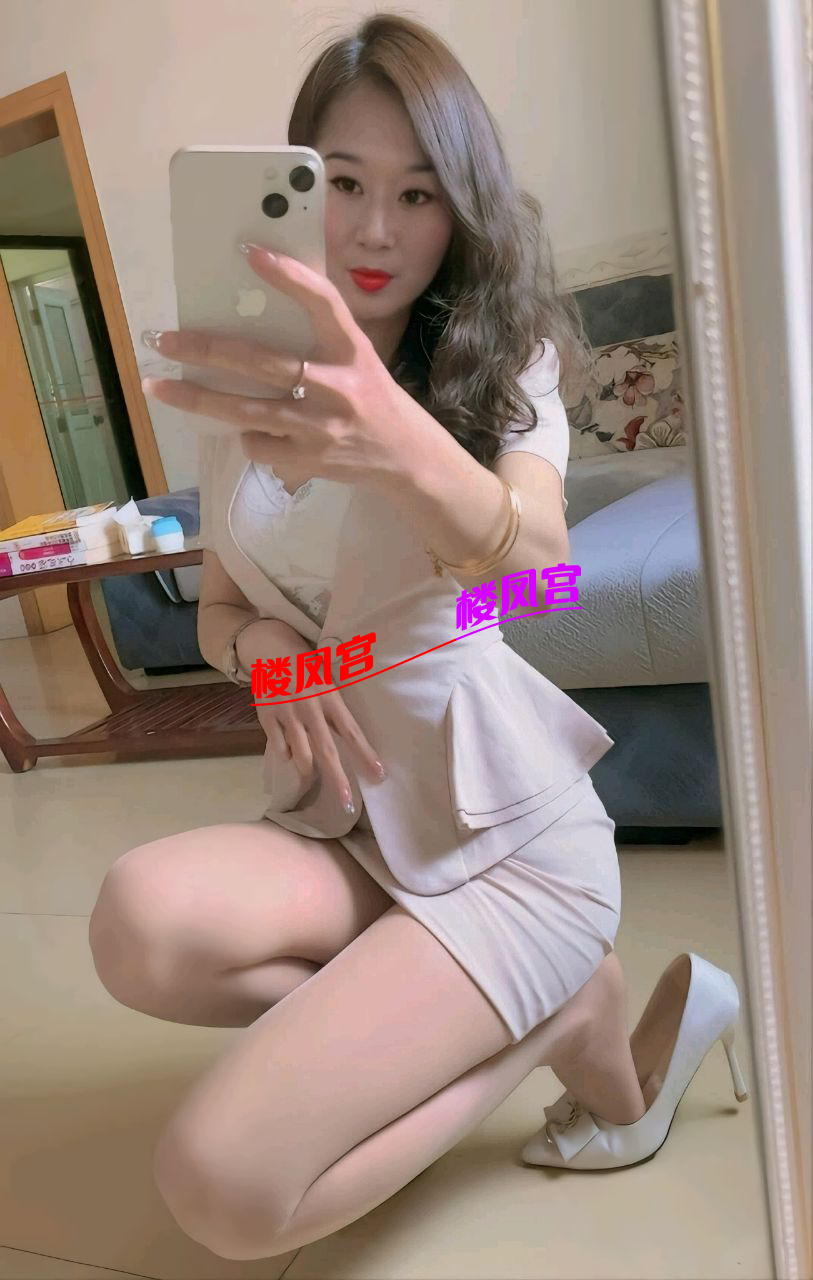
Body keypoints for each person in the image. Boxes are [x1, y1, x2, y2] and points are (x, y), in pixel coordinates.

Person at [88, 11, 747, 1262]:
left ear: (460, 211)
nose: (377, 230)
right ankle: (488, 1008)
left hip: (508, 844)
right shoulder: (244, 395)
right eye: (341, 184)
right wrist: (270, 654)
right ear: (297, 183)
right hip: (350, 821)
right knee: (135, 922)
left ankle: (558, 1014)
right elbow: (221, 610)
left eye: (419, 192)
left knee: (222, 1188)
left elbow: (542, 579)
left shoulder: (504, 366)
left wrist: (396, 440)